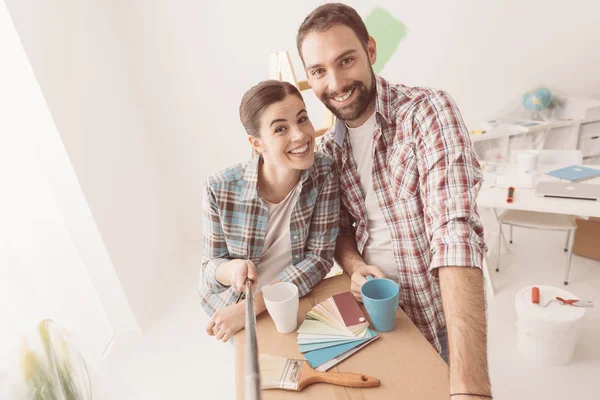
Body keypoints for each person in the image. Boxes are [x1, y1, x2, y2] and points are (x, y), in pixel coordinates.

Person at [296, 3, 492, 399]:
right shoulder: (328, 153)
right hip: (375, 316)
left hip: (436, 314)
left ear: (370, 51)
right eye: (318, 71)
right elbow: (341, 229)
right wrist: (352, 264)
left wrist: (471, 389)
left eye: (345, 60)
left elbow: (454, 234)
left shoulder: (428, 112)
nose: (334, 83)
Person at [199, 80, 340, 344]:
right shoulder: (219, 188)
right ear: (257, 143)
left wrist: (253, 306)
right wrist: (233, 270)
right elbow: (210, 268)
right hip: (232, 308)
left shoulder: (324, 172)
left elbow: (320, 258)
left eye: (302, 119)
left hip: (288, 297)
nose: (299, 135)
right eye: (280, 129)